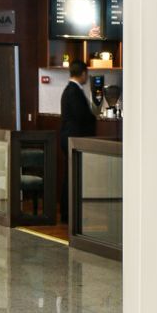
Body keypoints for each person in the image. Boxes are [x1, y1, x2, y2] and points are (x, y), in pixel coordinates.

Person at [59, 62, 98, 220]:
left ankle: (69, 212)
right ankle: (68, 213)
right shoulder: (73, 92)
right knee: (72, 176)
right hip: (74, 138)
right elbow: (81, 116)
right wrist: (93, 118)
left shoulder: (70, 90)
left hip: (69, 137)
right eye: (86, 74)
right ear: (83, 73)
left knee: (71, 175)